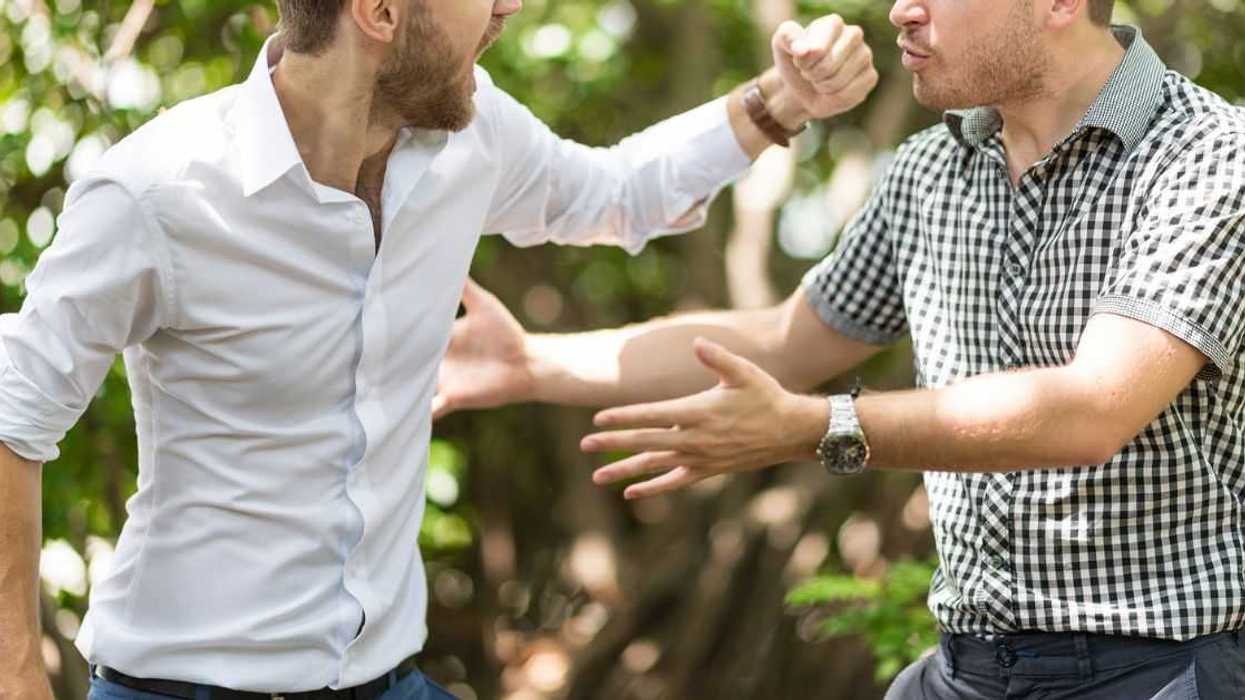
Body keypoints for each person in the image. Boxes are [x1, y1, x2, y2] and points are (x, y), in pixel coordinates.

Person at [0, 0, 880, 698]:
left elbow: (618, 193)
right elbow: (13, 416)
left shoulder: (470, 133)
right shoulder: (156, 194)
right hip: (186, 687)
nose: (511, 7)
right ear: (381, 13)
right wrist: (16, 679)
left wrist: (780, 102)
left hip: (386, 676)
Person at [434, 0, 1245, 697]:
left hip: (1161, 671)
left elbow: (1091, 409)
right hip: (963, 667)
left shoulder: (1208, 155)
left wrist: (818, 426)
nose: (899, 11)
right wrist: (532, 364)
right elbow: (786, 344)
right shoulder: (930, 169)